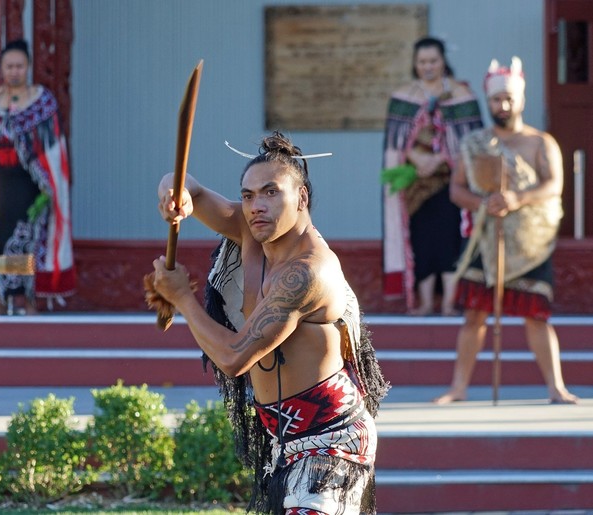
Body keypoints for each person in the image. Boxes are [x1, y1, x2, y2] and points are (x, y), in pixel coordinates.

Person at [148, 132, 389, 514]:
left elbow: (233, 357)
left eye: (271, 192)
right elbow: (184, 183)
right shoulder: (252, 230)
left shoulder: (307, 274)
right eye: (247, 196)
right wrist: (174, 195)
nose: (256, 206)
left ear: (302, 198)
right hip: (285, 440)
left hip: (331, 442)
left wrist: (182, 298)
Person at [434, 57, 579, 405]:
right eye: (497, 99)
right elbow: (457, 190)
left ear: (521, 100)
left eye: (509, 98)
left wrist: (516, 198)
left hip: (530, 241)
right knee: (475, 315)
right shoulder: (475, 143)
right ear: (489, 101)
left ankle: (556, 388)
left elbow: (553, 185)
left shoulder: (540, 142)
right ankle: (459, 388)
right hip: (486, 237)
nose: (504, 105)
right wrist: (485, 204)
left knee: (536, 315)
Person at [0, 39, 75, 315]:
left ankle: (28, 298)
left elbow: (54, 151)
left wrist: (48, 188)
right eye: (9, 66)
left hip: (32, 186)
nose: (14, 71)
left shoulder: (43, 103)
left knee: (30, 239)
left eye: (19, 66)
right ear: (1, 68)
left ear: (27, 67)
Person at [381, 37, 483, 315]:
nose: (427, 66)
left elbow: (472, 141)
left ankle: (449, 303)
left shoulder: (462, 94)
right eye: (422, 62)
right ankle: (425, 303)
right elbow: (395, 143)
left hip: (452, 182)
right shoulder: (403, 96)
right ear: (415, 64)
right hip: (414, 184)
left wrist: (440, 157)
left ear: (443, 62)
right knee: (421, 240)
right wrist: (416, 157)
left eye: (433, 61)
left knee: (450, 240)